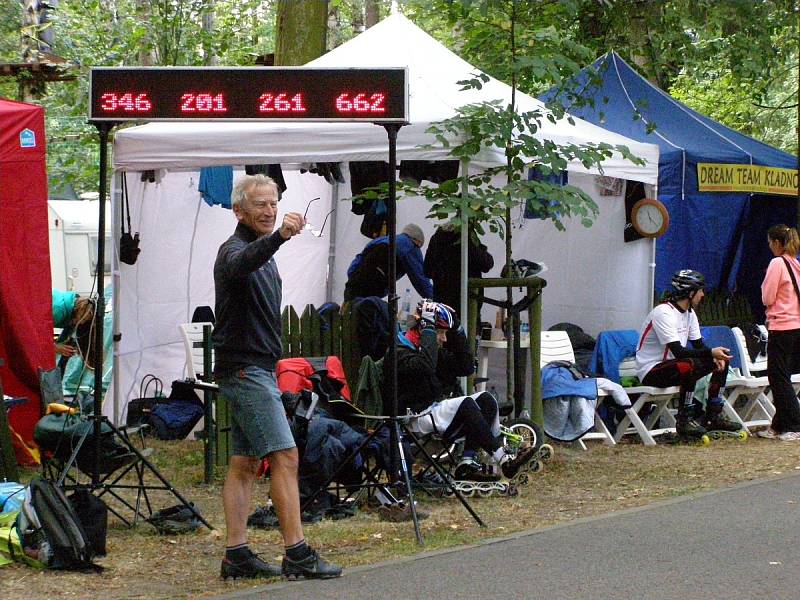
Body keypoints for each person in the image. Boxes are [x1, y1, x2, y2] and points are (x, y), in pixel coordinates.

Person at [213, 174, 341, 580]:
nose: (269, 211)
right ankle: (298, 553)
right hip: (247, 372)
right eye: (260, 205)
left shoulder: (262, 253)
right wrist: (280, 237)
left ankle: (236, 554)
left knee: (244, 464)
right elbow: (240, 265)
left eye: (273, 204)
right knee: (285, 456)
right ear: (239, 211)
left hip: (257, 370)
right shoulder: (234, 251)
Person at [385, 300, 536, 481]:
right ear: (423, 330)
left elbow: (466, 367)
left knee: (486, 400)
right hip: (411, 419)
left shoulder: (428, 352)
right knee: (465, 403)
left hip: (432, 411)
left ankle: (467, 462)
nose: (444, 338)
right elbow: (424, 366)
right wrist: (429, 330)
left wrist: (458, 330)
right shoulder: (399, 353)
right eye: (440, 332)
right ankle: (504, 459)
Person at [635, 269, 742, 437]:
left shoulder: (689, 313)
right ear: (690, 293)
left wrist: (714, 356)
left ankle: (714, 414)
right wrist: (710, 353)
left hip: (675, 367)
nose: (703, 295)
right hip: (651, 371)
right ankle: (684, 420)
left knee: (720, 361)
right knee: (690, 364)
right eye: (700, 291)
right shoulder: (663, 313)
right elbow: (678, 351)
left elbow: (699, 345)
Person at [757, 224, 800, 441]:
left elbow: (767, 297)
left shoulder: (777, 263)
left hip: (781, 326)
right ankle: (778, 425)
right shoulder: (795, 263)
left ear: (776, 243)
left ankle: (794, 424)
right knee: (782, 376)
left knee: (779, 378)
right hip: (796, 326)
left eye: (769, 243)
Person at [343, 223, 433, 301]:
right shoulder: (410, 246)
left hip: (352, 285)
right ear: (417, 241)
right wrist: (436, 300)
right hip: (372, 287)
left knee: (349, 316)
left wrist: (352, 279)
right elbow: (421, 280)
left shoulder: (382, 240)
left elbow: (357, 261)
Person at [423, 221, 494, 318]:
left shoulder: (436, 239)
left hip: (441, 303)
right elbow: (487, 264)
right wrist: (482, 248)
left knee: (443, 330)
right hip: (467, 303)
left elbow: (427, 270)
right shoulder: (467, 239)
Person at [51, 289, 95, 371]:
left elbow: (64, 338)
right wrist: (54, 347)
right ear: (81, 311)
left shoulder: (72, 309)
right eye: (84, 320)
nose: (82, 323)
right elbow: (36, 333)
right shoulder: (58, 310)